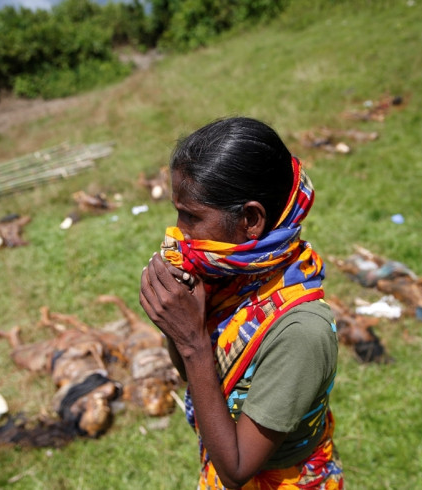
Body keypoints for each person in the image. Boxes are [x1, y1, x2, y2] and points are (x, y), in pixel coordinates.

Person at [140, 116, 344, 489]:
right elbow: (195, 376)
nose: (180, 232)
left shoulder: (302, 332)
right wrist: (176, 323)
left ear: (251, 219)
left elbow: (237, 468)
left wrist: (192, 340)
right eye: (177, 212)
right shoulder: (232, 278)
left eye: (192, 217)